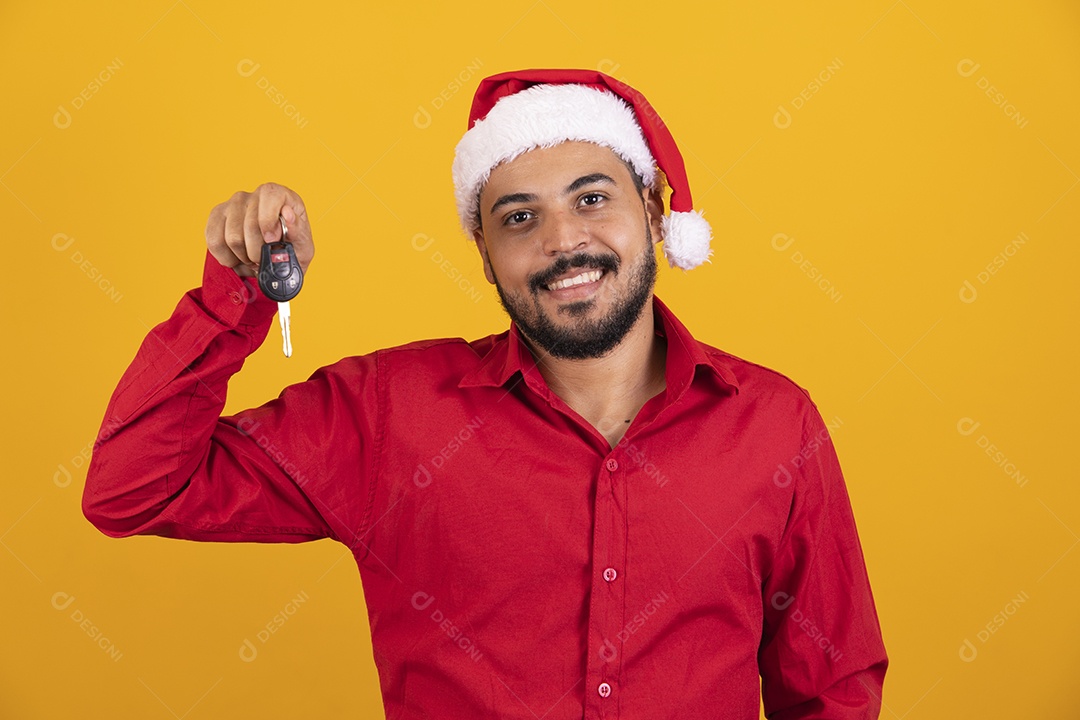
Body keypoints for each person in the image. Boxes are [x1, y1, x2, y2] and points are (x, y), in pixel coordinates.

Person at [84, 69, 888, 719]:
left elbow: (832, 687)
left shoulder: (775, 423)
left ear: (651, 209)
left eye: (593, 198)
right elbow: (134, 488)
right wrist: (237, 297)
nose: (562, 239)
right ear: (484, 252)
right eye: (518, 216)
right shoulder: (387, 414)